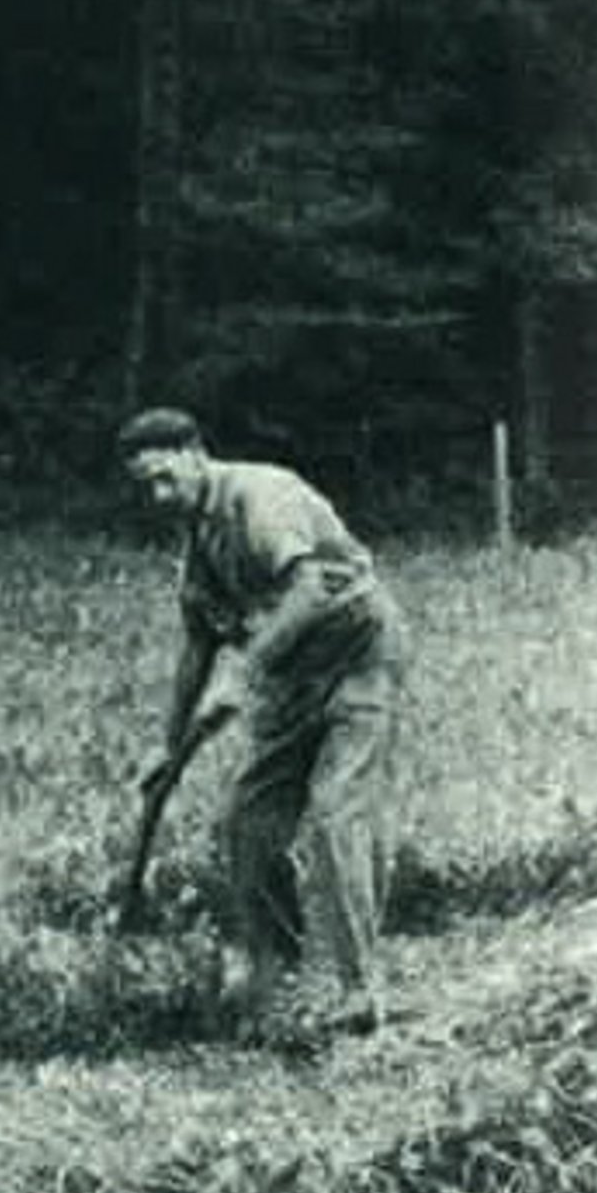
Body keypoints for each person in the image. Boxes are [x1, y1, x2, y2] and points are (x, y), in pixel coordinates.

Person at [119, 409, 406, 1037]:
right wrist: (168, 748)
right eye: (145, 488)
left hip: (358, 657)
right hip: (290, 679)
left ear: (195, 453)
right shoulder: (198, 547)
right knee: (248, 820)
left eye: (166, 478)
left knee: (336, 811)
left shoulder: (260, 497)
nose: (158, 497)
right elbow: (197, 646)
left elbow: (308, 591)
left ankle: (361, 991)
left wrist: (244, 672)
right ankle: (281, 980)